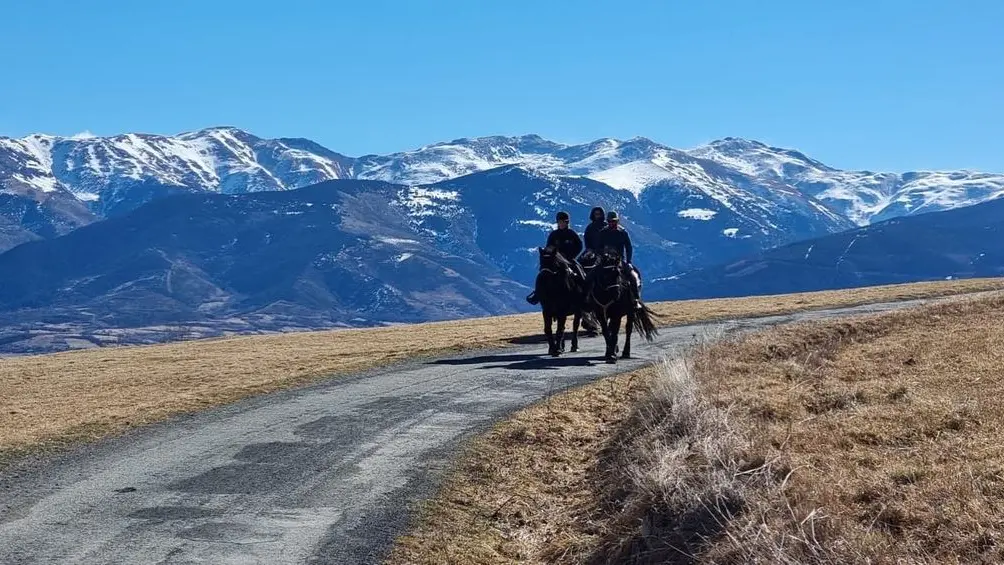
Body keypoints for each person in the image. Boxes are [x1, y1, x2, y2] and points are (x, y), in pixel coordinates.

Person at [526, 211, 584, 305]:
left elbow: (579, 246)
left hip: (569, 260)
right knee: (542, 274)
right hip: (555, 261)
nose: (561, 224)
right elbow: (548, 247)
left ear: (567, 222)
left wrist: (571, 256)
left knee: (580, 272)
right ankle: (537, 294)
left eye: (563, 222)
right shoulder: (553, 235)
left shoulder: (572, 234)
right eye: (559, 222)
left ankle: (584, 294)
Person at [595, 210, 642, 309]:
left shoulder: (622, 232)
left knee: (633, 277)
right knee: (591, 276)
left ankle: (635, 299)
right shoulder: (603, 233)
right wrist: (603, 254)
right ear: (607, 222)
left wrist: (628, 261)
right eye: (610, 221)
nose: (612, 223)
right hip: (605, 261)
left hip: (619, 261)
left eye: (614, 221)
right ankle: (588, 299)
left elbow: (628, 247)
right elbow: (598, 247)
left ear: (617, 221)